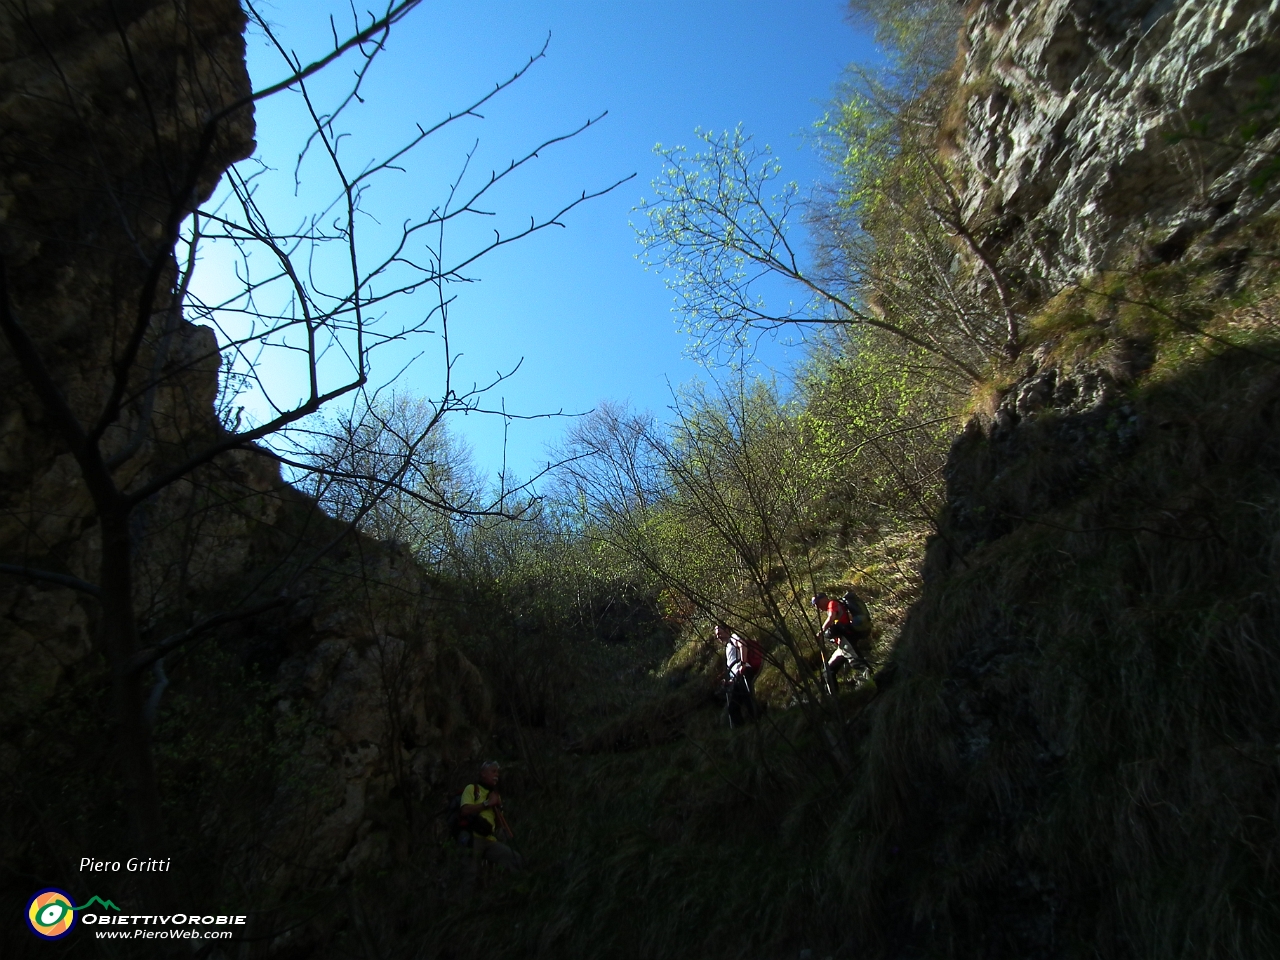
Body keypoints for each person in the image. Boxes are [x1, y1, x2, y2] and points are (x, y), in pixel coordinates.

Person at [457, 760, 522, 896]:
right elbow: (464, 810)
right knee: (470, 873)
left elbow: (499, 824)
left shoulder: (495, 795)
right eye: (493, 771)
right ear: (483, 774)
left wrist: (496, 805)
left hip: (489, 839)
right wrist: (487, 803)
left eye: (497, 772)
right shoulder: (472, 789)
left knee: (514, 858)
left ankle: (517, 891)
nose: (496, 775)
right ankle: (463, 906)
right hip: (472, 837)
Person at [812, 593, 871, 693]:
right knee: (828, 670)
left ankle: (872, 682)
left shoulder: (832, 603)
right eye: (815, 605)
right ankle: (835, 697)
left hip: (847, 639)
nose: (817, 607)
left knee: (856, 662)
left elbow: (831, 618)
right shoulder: (833, 606)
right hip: (841, 644)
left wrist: (821, 632)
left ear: (824, 599)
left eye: (817, 603)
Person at [715, 622, 759, 728]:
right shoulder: (727, 647)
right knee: (733, 707)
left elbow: (742, 644)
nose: (718, 636)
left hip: (743, 672)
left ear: (727, 630)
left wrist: (743, 664)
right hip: (736, 677)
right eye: (717, 635)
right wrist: (729, 681)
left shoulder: (733, 638)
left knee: (747, 699)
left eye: (719, 633)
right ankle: (745, 729)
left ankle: (756, 723)